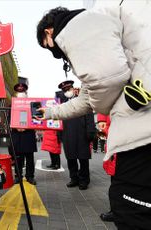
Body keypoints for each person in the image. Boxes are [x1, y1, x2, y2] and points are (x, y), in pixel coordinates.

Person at [36, 4, 151, 229]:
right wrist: (51, 112)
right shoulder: (99, 29)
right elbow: (86, 98)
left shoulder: (76, 26)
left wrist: (111, 107)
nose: (53, 51)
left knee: (131, 212)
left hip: (141, 131)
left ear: (49, 32)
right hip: (139, 126)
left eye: (47, 45)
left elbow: (105, 82)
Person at [58, 81, 95, 190]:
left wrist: (90, 131)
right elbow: (58, 120)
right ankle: (74, 178)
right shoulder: (61, 104)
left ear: (73, 89)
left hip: (82, 134)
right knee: (71, 158)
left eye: (68, 89)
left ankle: (84, 180)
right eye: (65, 90)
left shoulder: (82, 100)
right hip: (68, 134)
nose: (67, 92)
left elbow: (89, 116)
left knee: (83, 159)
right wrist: (59, 134)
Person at [10, 83, 38, 185]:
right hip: (17, 134)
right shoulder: (12, 104)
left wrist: (27, 126)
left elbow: (37, 118)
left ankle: (30, 176)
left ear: (26, 92)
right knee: (18, 158)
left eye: (22, 91)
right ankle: (18, 176)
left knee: (29, 157)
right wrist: (15, 126)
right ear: (16, 93)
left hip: (28, 134)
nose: (20, 92)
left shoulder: (32, 103)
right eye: (18, 91)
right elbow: (9, 118)